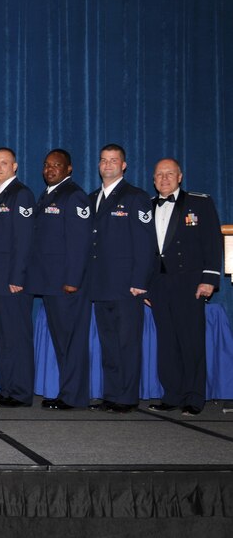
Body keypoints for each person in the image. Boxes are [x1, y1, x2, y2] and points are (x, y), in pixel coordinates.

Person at [147, 159, 222, 416]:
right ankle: (172, 394)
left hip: (189, 283)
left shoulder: (199, 203)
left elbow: (212, 242)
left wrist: (209, 278)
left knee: (191, 342)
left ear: (180, 177)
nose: (164, 179)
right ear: (153, 179)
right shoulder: (147, 206)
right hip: (159, 284)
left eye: (169, 174)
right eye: (159, 175)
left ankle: (194, 396)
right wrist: (145, 287)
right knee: (166, 343)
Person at [86, 144, 153, 414]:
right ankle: (112, 394)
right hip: (100, 285)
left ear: (124, 165)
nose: (108, 165)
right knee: (109, 344)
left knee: (127, 343)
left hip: (127, 286)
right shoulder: (92, 199)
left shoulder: (136, 197)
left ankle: (126, 397)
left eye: (114, 160)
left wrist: (140, 280)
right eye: (104, 160)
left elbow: (146, 244)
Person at [25, 149, 92, 410]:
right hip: (50, 282)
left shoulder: (73, 196)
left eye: (57, 165)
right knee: (62, 341)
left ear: (69, 169)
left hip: (67, 284)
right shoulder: (48, 195)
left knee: (72, 341)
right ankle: (67, 392)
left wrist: (73, 279)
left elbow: (80, 241)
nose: (50, 169)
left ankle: (74, 396)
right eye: (46, 165)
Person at [0, 148, 35, 408]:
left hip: (13, 281)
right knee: (3, 337)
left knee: (17, 337)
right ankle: (7, 388)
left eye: (4, 163)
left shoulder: (20, 194)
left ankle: (21, 392)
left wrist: (18, 276)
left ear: (15, 166)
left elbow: (23, 241)